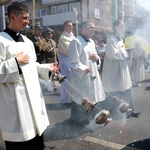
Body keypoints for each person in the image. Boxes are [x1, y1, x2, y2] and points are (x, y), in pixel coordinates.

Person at [0, 2, 59, 150]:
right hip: (15, 103)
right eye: (25, 18)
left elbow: (31, 66)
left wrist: (47, 68)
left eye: (28, 18)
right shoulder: (1, 40)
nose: (28, 22)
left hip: (34, 99)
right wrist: (15, 62)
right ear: (12, 16)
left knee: (37, 141)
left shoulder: (28, 42)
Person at [69, 21, 106, 125]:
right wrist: (83, 69)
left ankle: (89, 121)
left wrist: (97, 58)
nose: (93, 30)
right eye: (90, 27)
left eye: (93, 28)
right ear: (83, 28)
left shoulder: (92, 42)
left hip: (93, 75)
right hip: (82, 77)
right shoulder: (75, 42)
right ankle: (77, 123)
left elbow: (96, 58)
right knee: (81, 100)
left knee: (92, 98)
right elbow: (73, 62)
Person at [102, 19, 140, 118]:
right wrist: (124, 50)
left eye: (123, 26)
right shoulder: (111, 41)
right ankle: (117, 113)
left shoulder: (120, 39)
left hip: (122, 69)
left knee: (127, 90)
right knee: (117, 92)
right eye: (120, 26)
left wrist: (124, 50)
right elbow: (113, 55)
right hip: (115, 71)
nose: (123, 28)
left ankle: (131, 110)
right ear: (115, 27)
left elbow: (121, 53)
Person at [58, 20, 75, 103]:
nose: (71, 27)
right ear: (64, 27)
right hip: (66, 61)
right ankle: (65, 99)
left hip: (72, 60)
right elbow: (67, 49)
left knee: (72, 80)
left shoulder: (72, 36)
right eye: (69, 26)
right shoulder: (63, 37)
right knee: (66, 80)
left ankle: (71, 97)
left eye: (72, 26)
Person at [45, 27, 60, 95]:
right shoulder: (44, 42)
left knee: (53, 75)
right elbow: (44, 53)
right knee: (49, 75)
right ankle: (48, 87)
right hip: (48, 61)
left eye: (50, 33)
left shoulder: (53, 42)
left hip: (54, 61)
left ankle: (53, 87)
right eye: (48, 33)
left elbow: (56, 52)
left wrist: (57, 61)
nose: (49, 35)